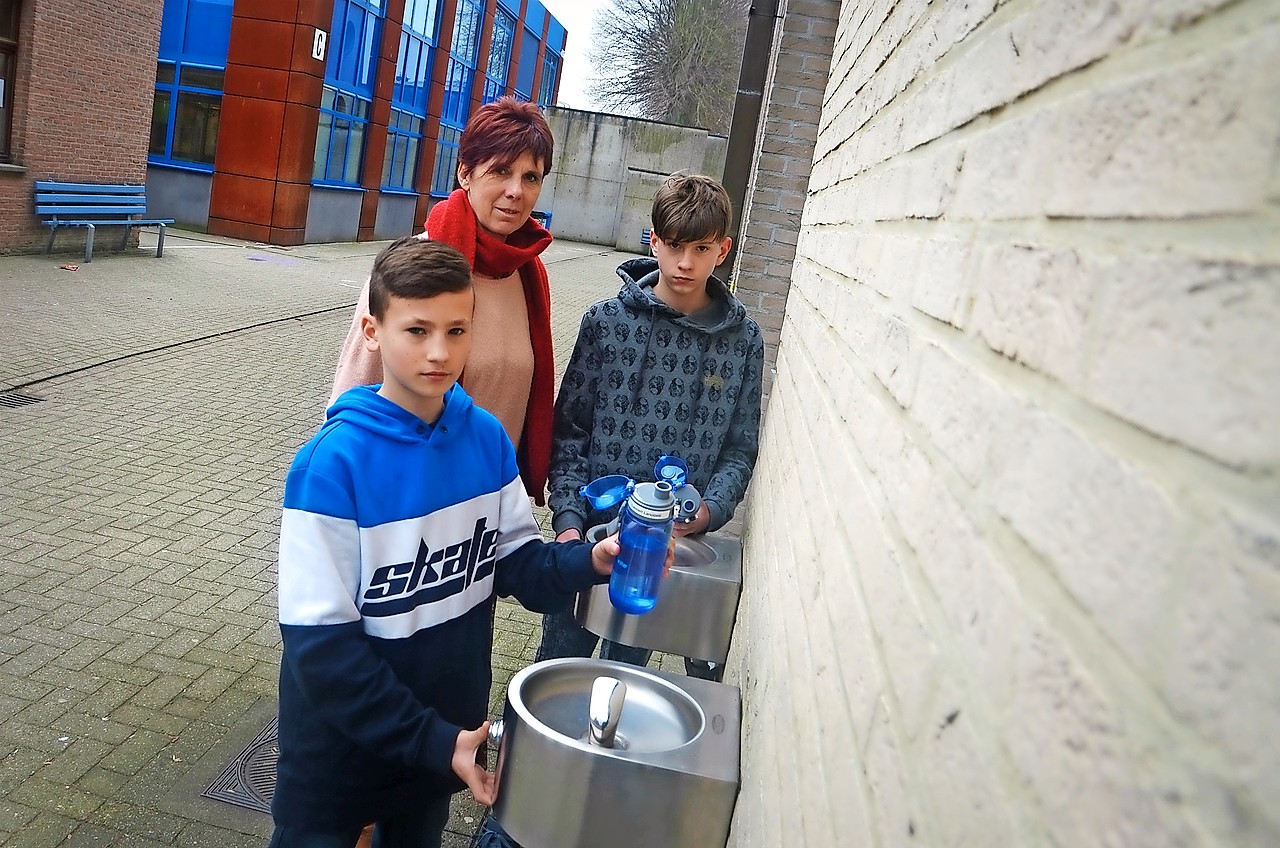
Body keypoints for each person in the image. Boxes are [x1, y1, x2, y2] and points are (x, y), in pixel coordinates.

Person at [270, 237, 621, 848]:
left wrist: (591, 559)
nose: (440, 352)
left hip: (439, 743)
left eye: (457, 331)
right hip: (340, 752)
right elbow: (321, 650)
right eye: (417, 330)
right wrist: (433, 738)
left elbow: (518, 563)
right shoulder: (329, 467)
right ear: (372, 330)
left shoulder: (484, 437)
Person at [534, 172, 765, 677]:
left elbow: (740, 447)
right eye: (675, 245)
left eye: (701, 248)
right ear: (654, 240)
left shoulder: (742, 341)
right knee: (556, 669)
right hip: (593, 535)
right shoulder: (605, 323)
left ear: (723, 249)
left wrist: (708, 511)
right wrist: (570, 524)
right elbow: (570, 432)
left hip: (667, 551)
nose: (685, 263)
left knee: (625, 675)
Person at [331, 96, 557, 506]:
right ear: (465, 174)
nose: (515, 191)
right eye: (501, 171)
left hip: (493, 498)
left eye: (531, 177)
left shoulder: (529, 276)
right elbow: (354, 389)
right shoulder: (414, 267)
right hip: (407, 497)